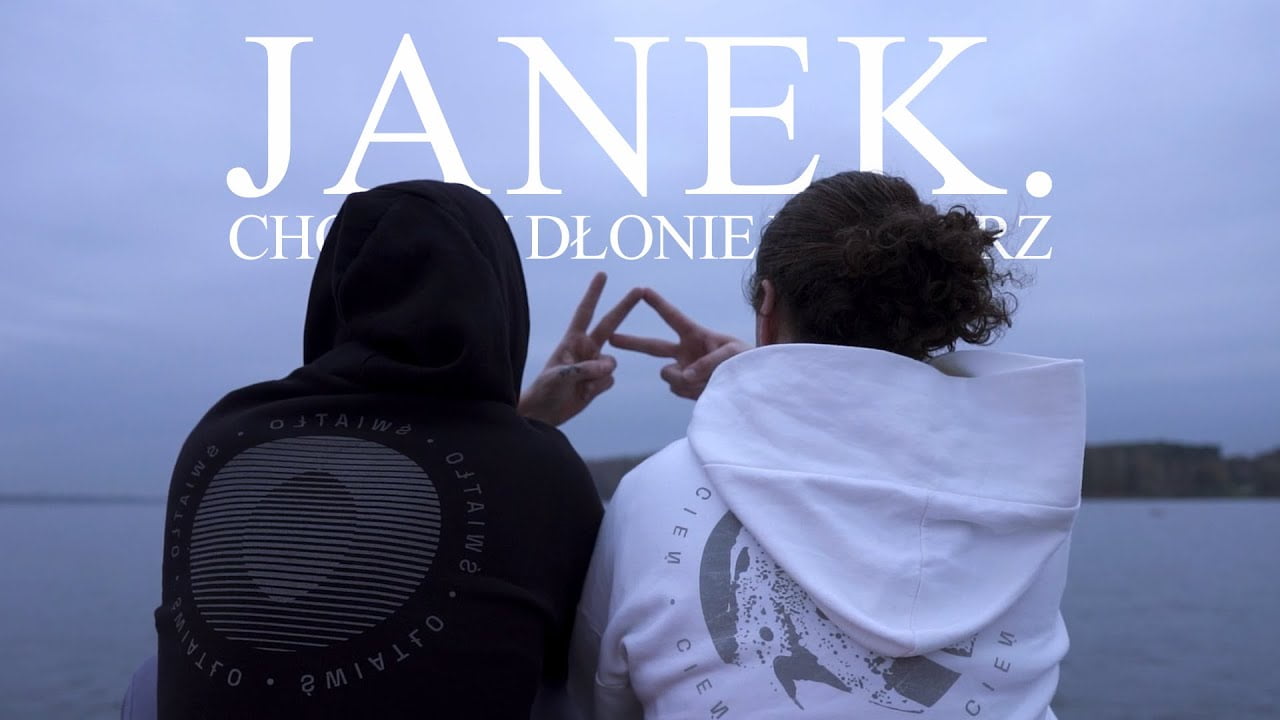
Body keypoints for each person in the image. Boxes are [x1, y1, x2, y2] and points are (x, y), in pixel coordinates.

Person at [569, 170, 1087, 719]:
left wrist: (757, 387)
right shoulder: (1019, 490)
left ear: (766, 304)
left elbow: (598, 696)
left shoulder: (652, 495)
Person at [141, 179, 642, 719]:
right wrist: (525, 430)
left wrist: (523, 422)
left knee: (150, 678)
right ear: (500, 301)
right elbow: (585, 668)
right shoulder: (543, 473)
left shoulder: (222, 434)